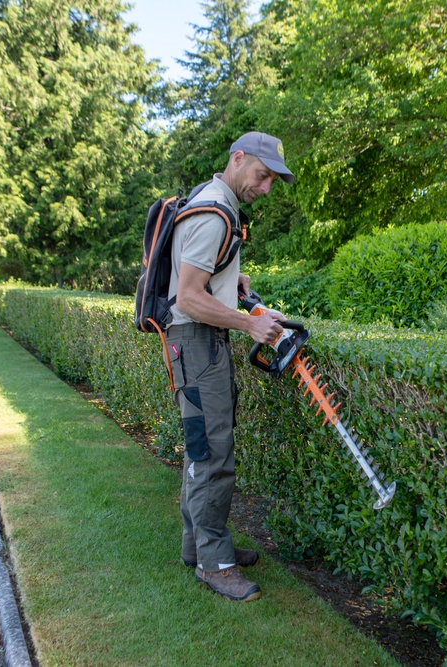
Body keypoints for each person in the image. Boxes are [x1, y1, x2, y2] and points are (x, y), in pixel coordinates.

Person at [165, 131, 294, 602]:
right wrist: (248, 325)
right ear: (238, 159)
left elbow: (205, 278)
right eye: (262, 176)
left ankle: (196, 547)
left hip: (200, 343)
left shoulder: (212, 199)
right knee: (211, 453)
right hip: (197, 341)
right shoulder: (215, 212)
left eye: (272, 181)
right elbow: (188, 297)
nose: (265, 188)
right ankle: (215, 565)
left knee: (204, 446)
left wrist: (238, 289)